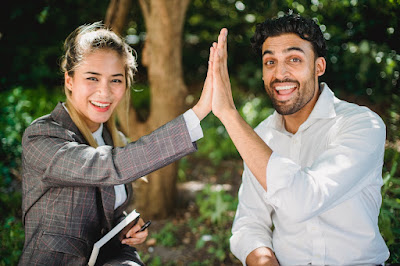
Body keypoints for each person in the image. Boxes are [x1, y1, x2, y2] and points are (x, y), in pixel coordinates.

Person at [19, 22, 213, 265]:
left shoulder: (111, 137)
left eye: (115, 80)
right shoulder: (42, 136)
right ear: (69, 80)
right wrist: (199, 112)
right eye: (92, 78)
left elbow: (106, 215)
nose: (105, 92)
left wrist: (124, 226)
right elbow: (107, 166)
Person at [208, 14, 390, 265]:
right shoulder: (261, 136)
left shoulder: (361, 124)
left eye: (294, 59)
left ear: (319, 67)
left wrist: (229, 114)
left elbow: (304, 198)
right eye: (270, 62)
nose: (280, 73)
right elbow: (249, 225)